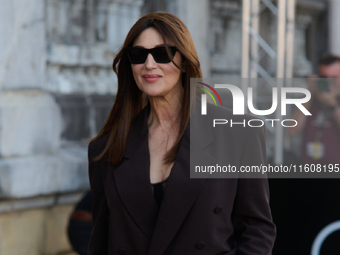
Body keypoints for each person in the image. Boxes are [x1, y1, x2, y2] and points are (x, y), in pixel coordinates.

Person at [87, 12, 275, 255]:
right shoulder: (107, 149)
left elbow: (257, 230)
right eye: (138, 55)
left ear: (184, 60)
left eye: (162, 53)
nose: (149, 64)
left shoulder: (237, 133)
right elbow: (101, 241)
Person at [289, 53, 340, 164]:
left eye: (334, 78)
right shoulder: (309, 100)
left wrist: (332, 105)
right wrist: (309, 94)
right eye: (325, 77)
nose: (329, 82)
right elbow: (292, 129)